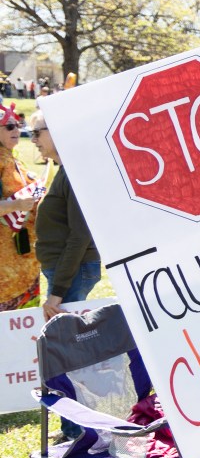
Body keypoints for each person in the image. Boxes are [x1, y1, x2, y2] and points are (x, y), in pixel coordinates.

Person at [28, 111, 101, 320]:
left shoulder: (73, 174)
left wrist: (57, 293)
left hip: (71, 273)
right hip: (67, 272)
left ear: (57, 131)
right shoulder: (65, 170)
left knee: (71, 343)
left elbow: (80, 235)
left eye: (36, 132)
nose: (33, 140)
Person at [0, 104, 42, 310]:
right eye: (9, 127)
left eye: (17, 125)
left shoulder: (12, 158)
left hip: (25, 259)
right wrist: (17, 204)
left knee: (27, 332)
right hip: (5, 269)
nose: (16, 131)